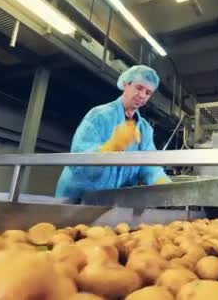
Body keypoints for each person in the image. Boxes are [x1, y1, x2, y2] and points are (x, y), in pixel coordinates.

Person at [55, 65, 170, 202]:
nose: (142, 95)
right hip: (77, 200)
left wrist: (163, 184)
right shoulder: (99, 116)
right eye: (139, 88)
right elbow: (79, 161)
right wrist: (111, 147)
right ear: (126, 84)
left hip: (113, 203)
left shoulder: (145, 130)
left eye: (148, 92)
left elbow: (150, 166)